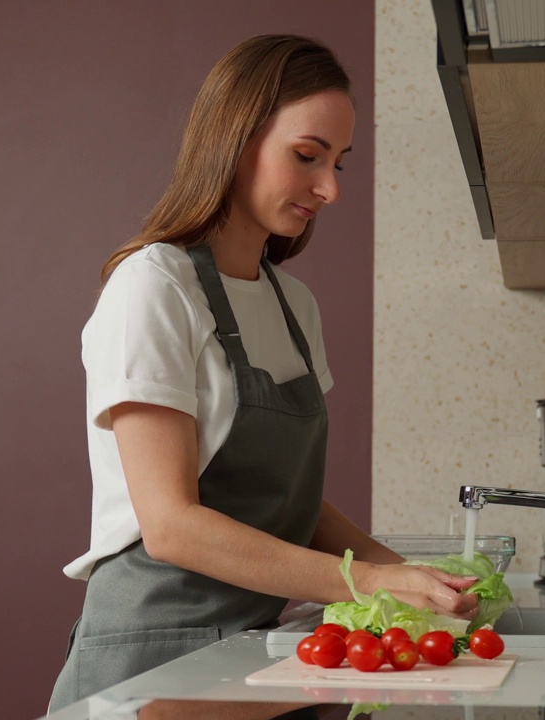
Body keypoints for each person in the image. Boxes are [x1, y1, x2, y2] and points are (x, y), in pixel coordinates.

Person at [47, 34, 479, 711]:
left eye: (339, 162)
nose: (330, 188)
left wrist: (412, 577)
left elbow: (288, 507)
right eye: (307, 157)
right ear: (234, 139)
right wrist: (364, 582)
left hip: (248, 655)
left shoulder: (293, 305)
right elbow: (171, 525)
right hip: (149, 661)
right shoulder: (153, 287)